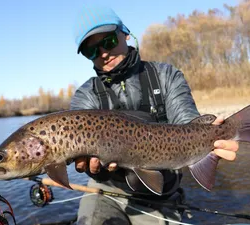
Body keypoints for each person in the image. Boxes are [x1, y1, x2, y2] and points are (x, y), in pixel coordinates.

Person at [69, 5, 239, 225]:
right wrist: (98, 173)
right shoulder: (85, 96)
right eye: (91, 51)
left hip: (162, 196)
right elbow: (82, 158)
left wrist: (210, 138)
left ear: (125, 33)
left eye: (108, 41)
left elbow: (186, 121)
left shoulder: (166, 76)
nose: (102, 53)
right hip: (107, 192)